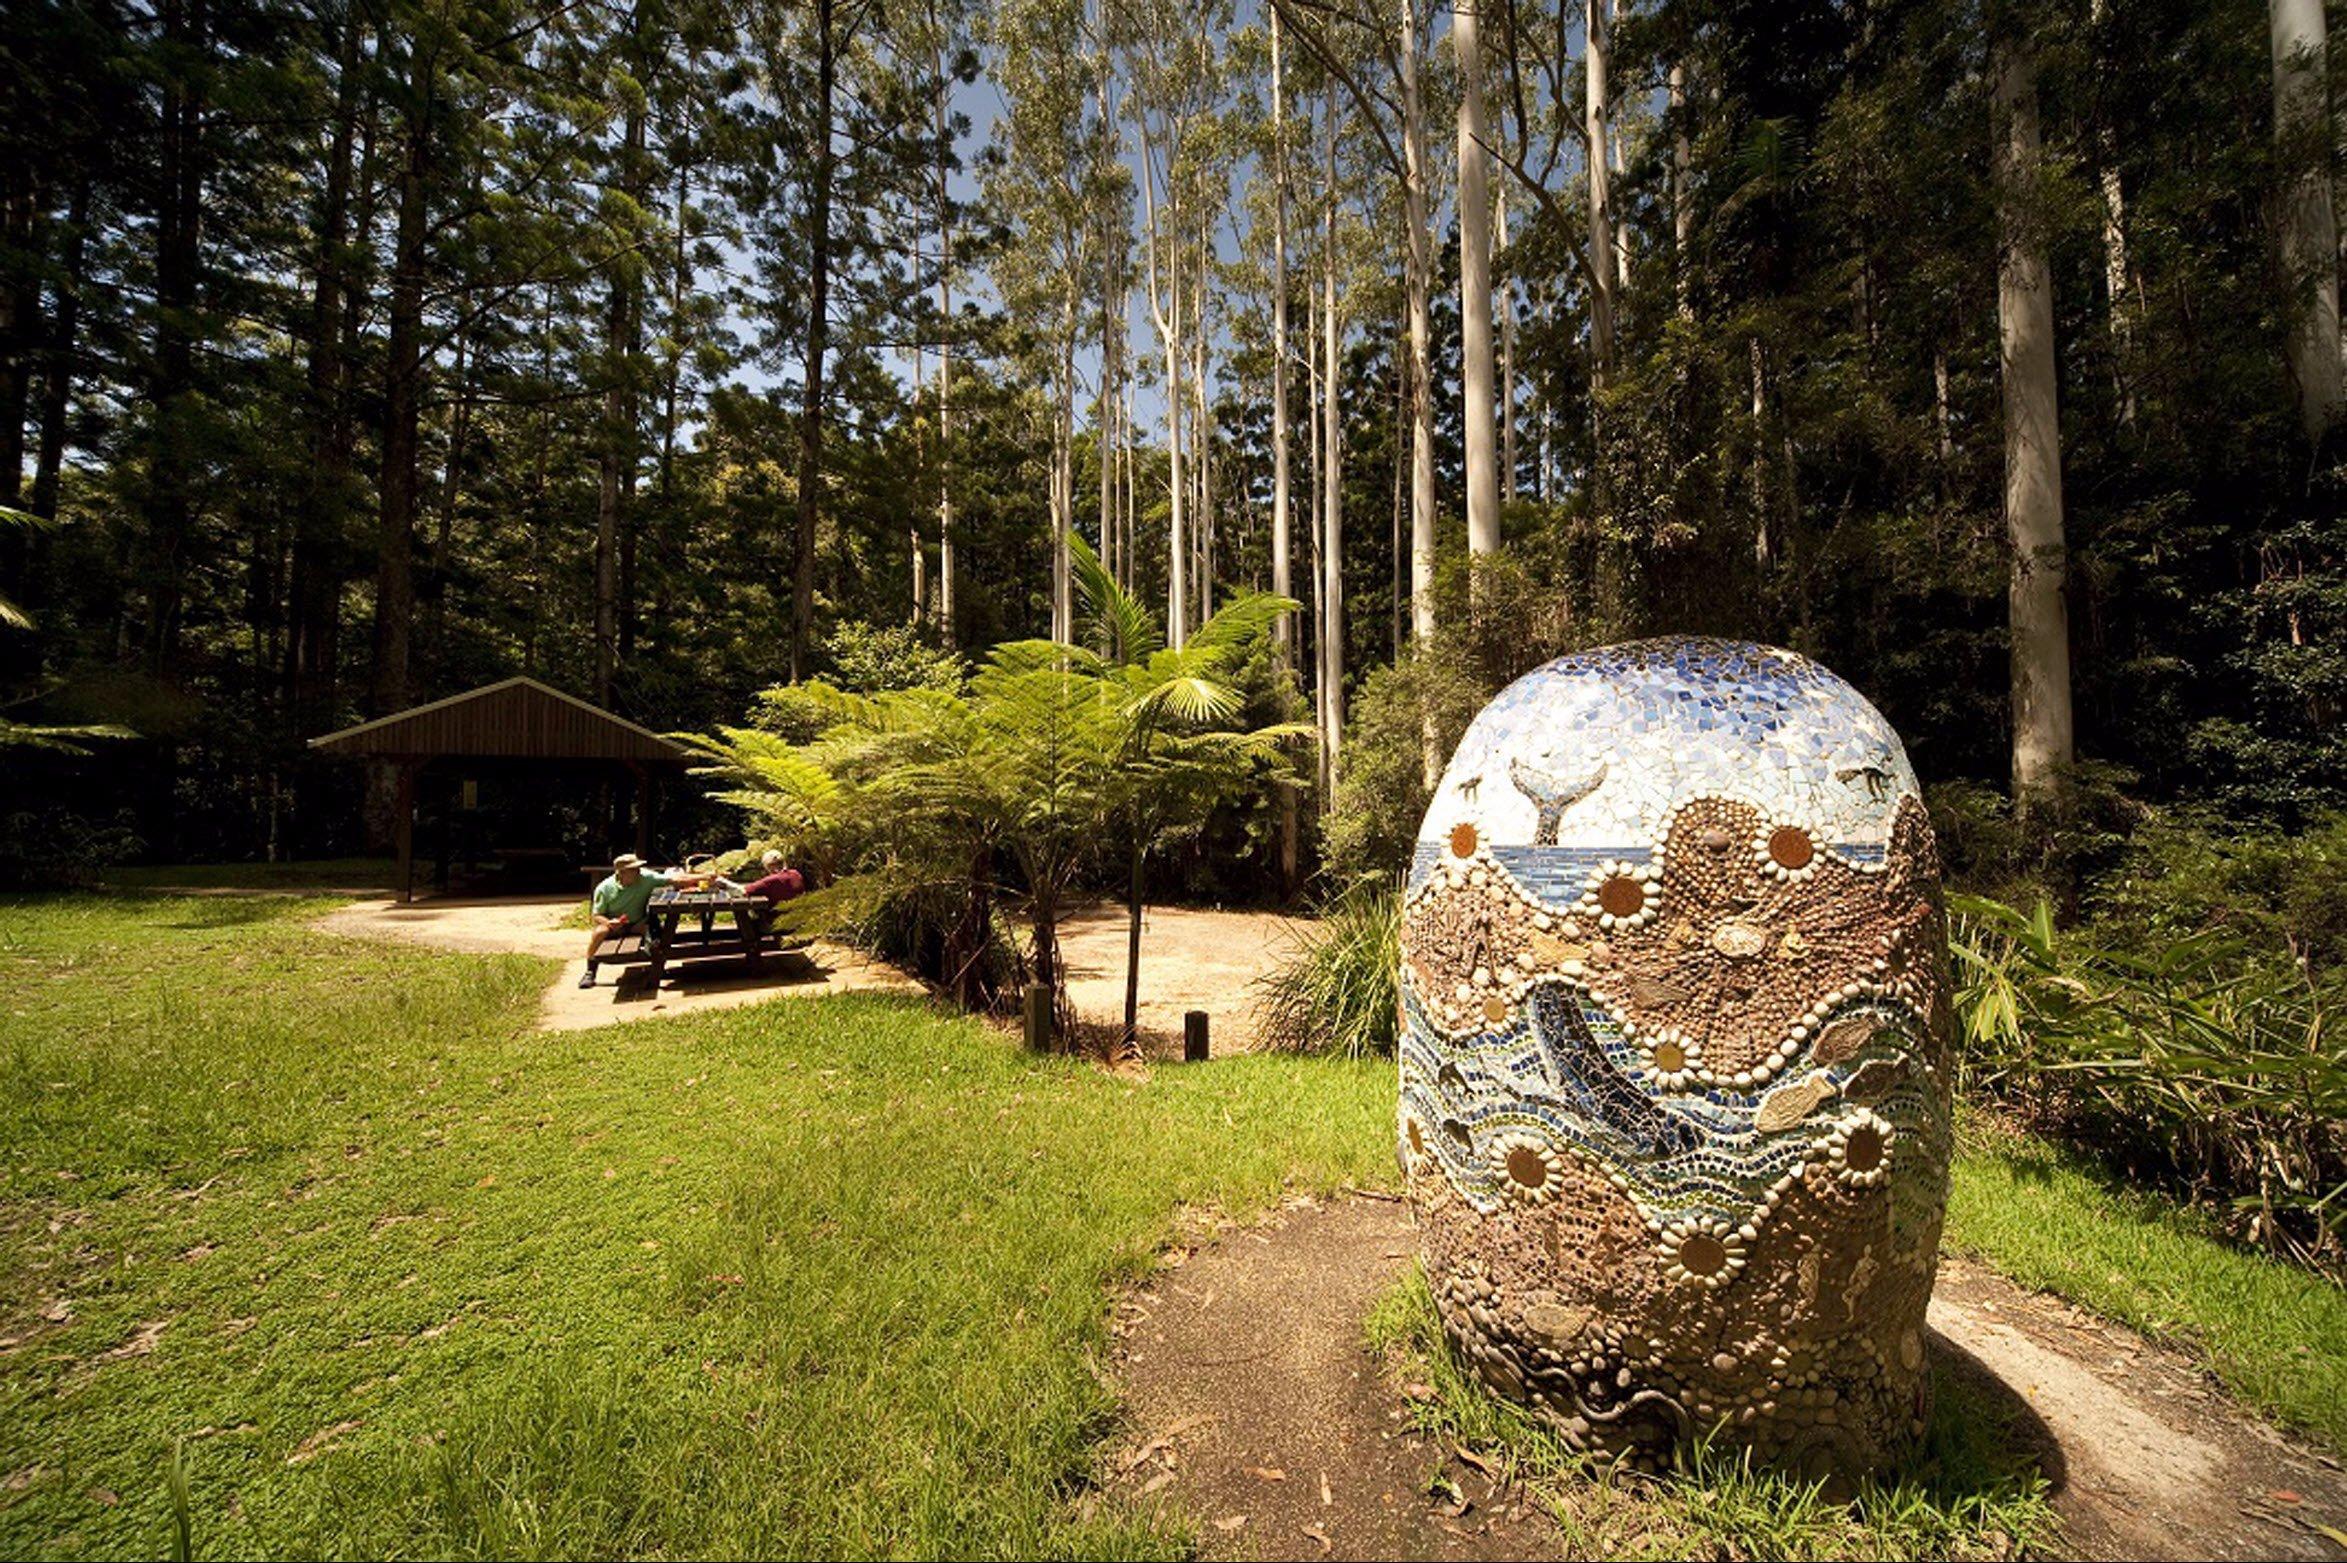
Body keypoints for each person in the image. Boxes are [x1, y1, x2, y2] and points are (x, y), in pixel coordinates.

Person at [581, 852, 709, 988]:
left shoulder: (647, 877)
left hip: (638, 923)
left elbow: (676, 879)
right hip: (614, 925)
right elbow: (596, 915)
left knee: (655, 933)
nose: (638, 871)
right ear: (622, 872)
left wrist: (705, 876)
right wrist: (608, 922)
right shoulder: (604, 888)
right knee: (599, 932)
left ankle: (657, 967)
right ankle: (590, 971)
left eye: (638, 868)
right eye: (633, 869)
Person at [738, 849, 805, 908]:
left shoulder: (771, 880)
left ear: (768, 866)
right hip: (799, 913)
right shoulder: (796, 874)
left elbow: (744, 891)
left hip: (777, 916)